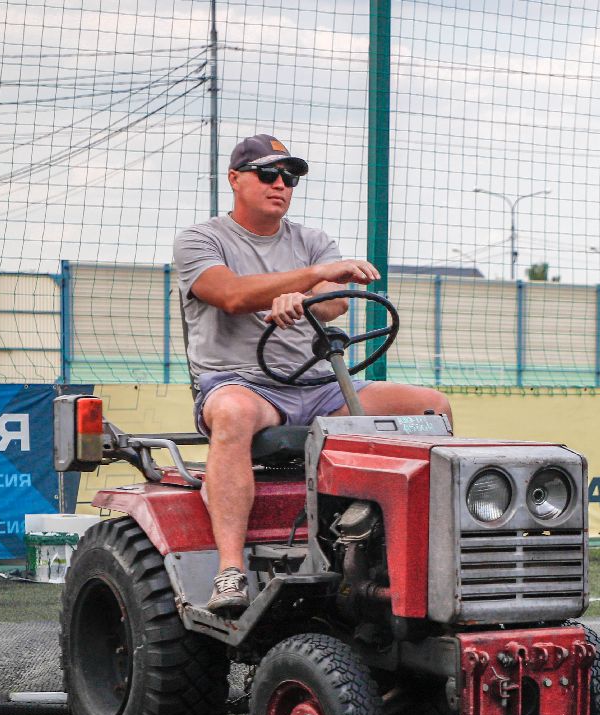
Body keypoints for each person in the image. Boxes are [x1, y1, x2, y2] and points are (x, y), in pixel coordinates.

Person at [174, 134, 450, 613]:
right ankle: (230, 570)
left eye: (290, 177)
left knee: (432, 408)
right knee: (233, 413)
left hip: (318, 386)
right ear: (235, 179)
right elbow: (233, 295)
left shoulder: (310, 241)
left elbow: (337, 301)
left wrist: (306, 297)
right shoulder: (203, 239)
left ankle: (423, 552)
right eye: (268, 174)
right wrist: (304, 282)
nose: (281, 184)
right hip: (244, 383)